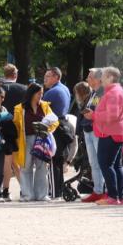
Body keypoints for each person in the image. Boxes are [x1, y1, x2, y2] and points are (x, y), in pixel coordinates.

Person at [90, 66, 123, 206]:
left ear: (110, 77)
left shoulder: (113, 93)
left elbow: (112, 115)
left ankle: (113, 197)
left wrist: (93, 115)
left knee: (105, 164)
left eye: (104, 75)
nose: (101, 78)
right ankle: (119, 197)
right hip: (117, 131)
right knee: (116, 166)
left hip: (111, 132)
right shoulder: (116, 91)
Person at [13, 83, 59, 202]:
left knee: (42, 167)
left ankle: (42, 195)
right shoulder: (19, 108)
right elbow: (16, 126)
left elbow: (55, 121)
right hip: (25, 140)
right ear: (32, 93)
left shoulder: (45, 106)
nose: (41, 95)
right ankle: (27, 195)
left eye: (42, 93)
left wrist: (46, 129)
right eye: (39, 93)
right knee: (25, 167)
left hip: (42, 139)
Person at [76, 69, 106, 202]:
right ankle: (98, 190)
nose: (87, 79)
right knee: (94, 163)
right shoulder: (94, 93)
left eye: (89, 77)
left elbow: (100, 111)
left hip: (96, 130)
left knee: (101, 162)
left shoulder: (102, 92)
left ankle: (103, 191)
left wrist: (90, 114)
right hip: (88, 129)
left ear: (98, 79)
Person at [42, 67, 73, 199]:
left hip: (55, 127)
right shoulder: (65, 89)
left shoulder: (52, 92)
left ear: (56, 77)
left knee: (53, 160)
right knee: (59, 160)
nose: (45, 79)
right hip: (64, 125)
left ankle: (54, 192)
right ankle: (58, 190)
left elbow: (41, 109)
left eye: (48, 76)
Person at [0, 64, 28, 202]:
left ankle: (5, 190)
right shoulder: (24, 89)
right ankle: (24, 189)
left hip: (1, 127)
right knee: (18, 161)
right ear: (15, 74)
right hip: (18, 128)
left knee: (5, 161)